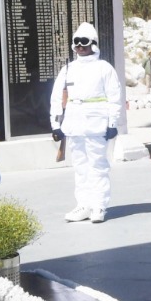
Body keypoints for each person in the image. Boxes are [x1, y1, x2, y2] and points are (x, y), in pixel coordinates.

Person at [50, 22, 122, 223]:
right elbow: (57, 98)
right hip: (74, 125)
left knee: (98, 166)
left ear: (93, 44)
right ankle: (84, 204)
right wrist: (56, 125)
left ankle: (98, 206)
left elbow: (114, 97)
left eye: (84, 42)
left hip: (97, 125)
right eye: (77, 42)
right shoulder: (67, 69)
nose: (80, 46)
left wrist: (112, 123)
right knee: (80, 167)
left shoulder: (104, 68)